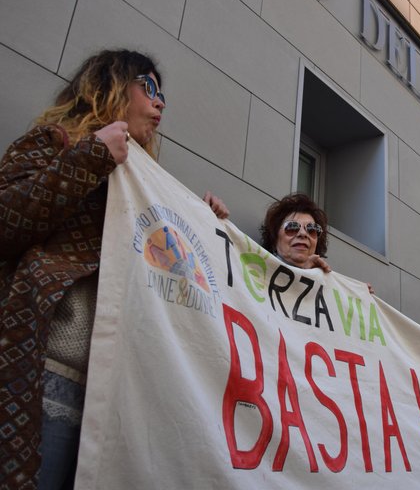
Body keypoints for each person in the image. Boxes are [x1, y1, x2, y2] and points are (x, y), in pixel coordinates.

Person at [0, 49, 229, 488]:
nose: (160, 103)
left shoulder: (143, 186)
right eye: (150, 88)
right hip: (43, 377)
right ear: (109, 85)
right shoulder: (52, 144)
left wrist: (201, 226)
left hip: (117, 400)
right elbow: (6, 220)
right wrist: (88, 159)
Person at [260, 193, 332, 272]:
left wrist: (311, 275)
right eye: (292, 227)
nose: (303, 234)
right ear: (274, 239)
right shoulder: (255, 272)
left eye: (312, 229)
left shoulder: (327, 281)